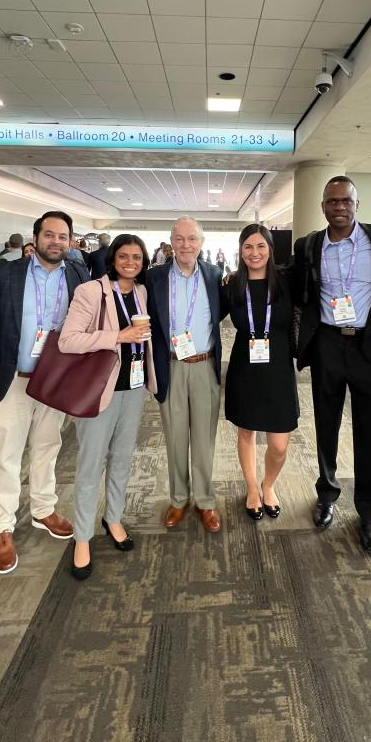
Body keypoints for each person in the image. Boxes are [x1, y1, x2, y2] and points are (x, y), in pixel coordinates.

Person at [289, 176, 371, 552]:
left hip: (369, 346)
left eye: (345, 201)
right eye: (331, 201)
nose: (338, 207)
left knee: (370, 431)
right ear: (323, 206)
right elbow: (293, 286)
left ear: (357, 204)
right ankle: (326, 493)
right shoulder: (308, 245)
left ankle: (369, 510)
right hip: (326, 342)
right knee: (326, 423)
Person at [0, 211, 89, 575]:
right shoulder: (5, 274)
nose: (56, 242)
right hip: (14, 377)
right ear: (35, 238)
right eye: (49, 235)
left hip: (53, 380)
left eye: (63, 236)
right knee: (6, 453)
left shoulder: (79, 275)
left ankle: (44, 509)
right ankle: (1, 526)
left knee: (48, 447)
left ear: (71, 241)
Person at [59, 234, 156, 578]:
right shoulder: (90, 292)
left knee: (122, 459)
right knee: (90, 465)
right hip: (99, 391)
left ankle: (113, 517)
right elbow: (68, 340)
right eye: (124, 256)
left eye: (137, 257)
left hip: (132, 387)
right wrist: (118, 336)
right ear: (113, 259)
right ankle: (82, 536)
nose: (131, 262)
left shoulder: (141, 292)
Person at [146, 217, 223, 532]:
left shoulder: (215, 275)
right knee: (176, 437)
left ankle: (205, 501)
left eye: (192, 239)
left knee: (204, 439)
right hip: (172, 365)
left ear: (201, 242)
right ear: (171, 241)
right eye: (179, 239)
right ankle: (179, 499)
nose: (186, 245)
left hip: (205, 366)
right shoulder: (154, 278)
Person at [220, 224, 298, 519]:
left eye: (260, 246)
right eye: (248, 247)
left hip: (278, 368)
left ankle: (269, 484)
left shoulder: (287, 282)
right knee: (247, 431)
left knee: (278, 444)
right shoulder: (232, 285)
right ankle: (253, 487)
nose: (255, 253)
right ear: (240, 250)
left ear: (270, 249)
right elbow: (210, 315)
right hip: (245, 367)